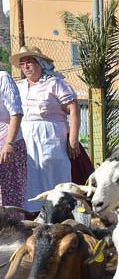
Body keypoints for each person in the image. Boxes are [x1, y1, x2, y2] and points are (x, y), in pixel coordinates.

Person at [13, 46, 80, 211]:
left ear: (40, 63)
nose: (26, 67)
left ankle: (59, 210)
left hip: (51, 136)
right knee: (30, 173)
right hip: (26, 137)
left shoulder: (55, 83)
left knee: (53, 171)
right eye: (22, 64)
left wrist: (73, 139)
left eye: (30, 62)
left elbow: (74, 109)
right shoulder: (19, 87)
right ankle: (33, 213)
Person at [0, 70, 26, 209]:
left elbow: (16, 113)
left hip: (7, 141)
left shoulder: (3, 78)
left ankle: (11, 228)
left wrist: (9, 144)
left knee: (10, 195)